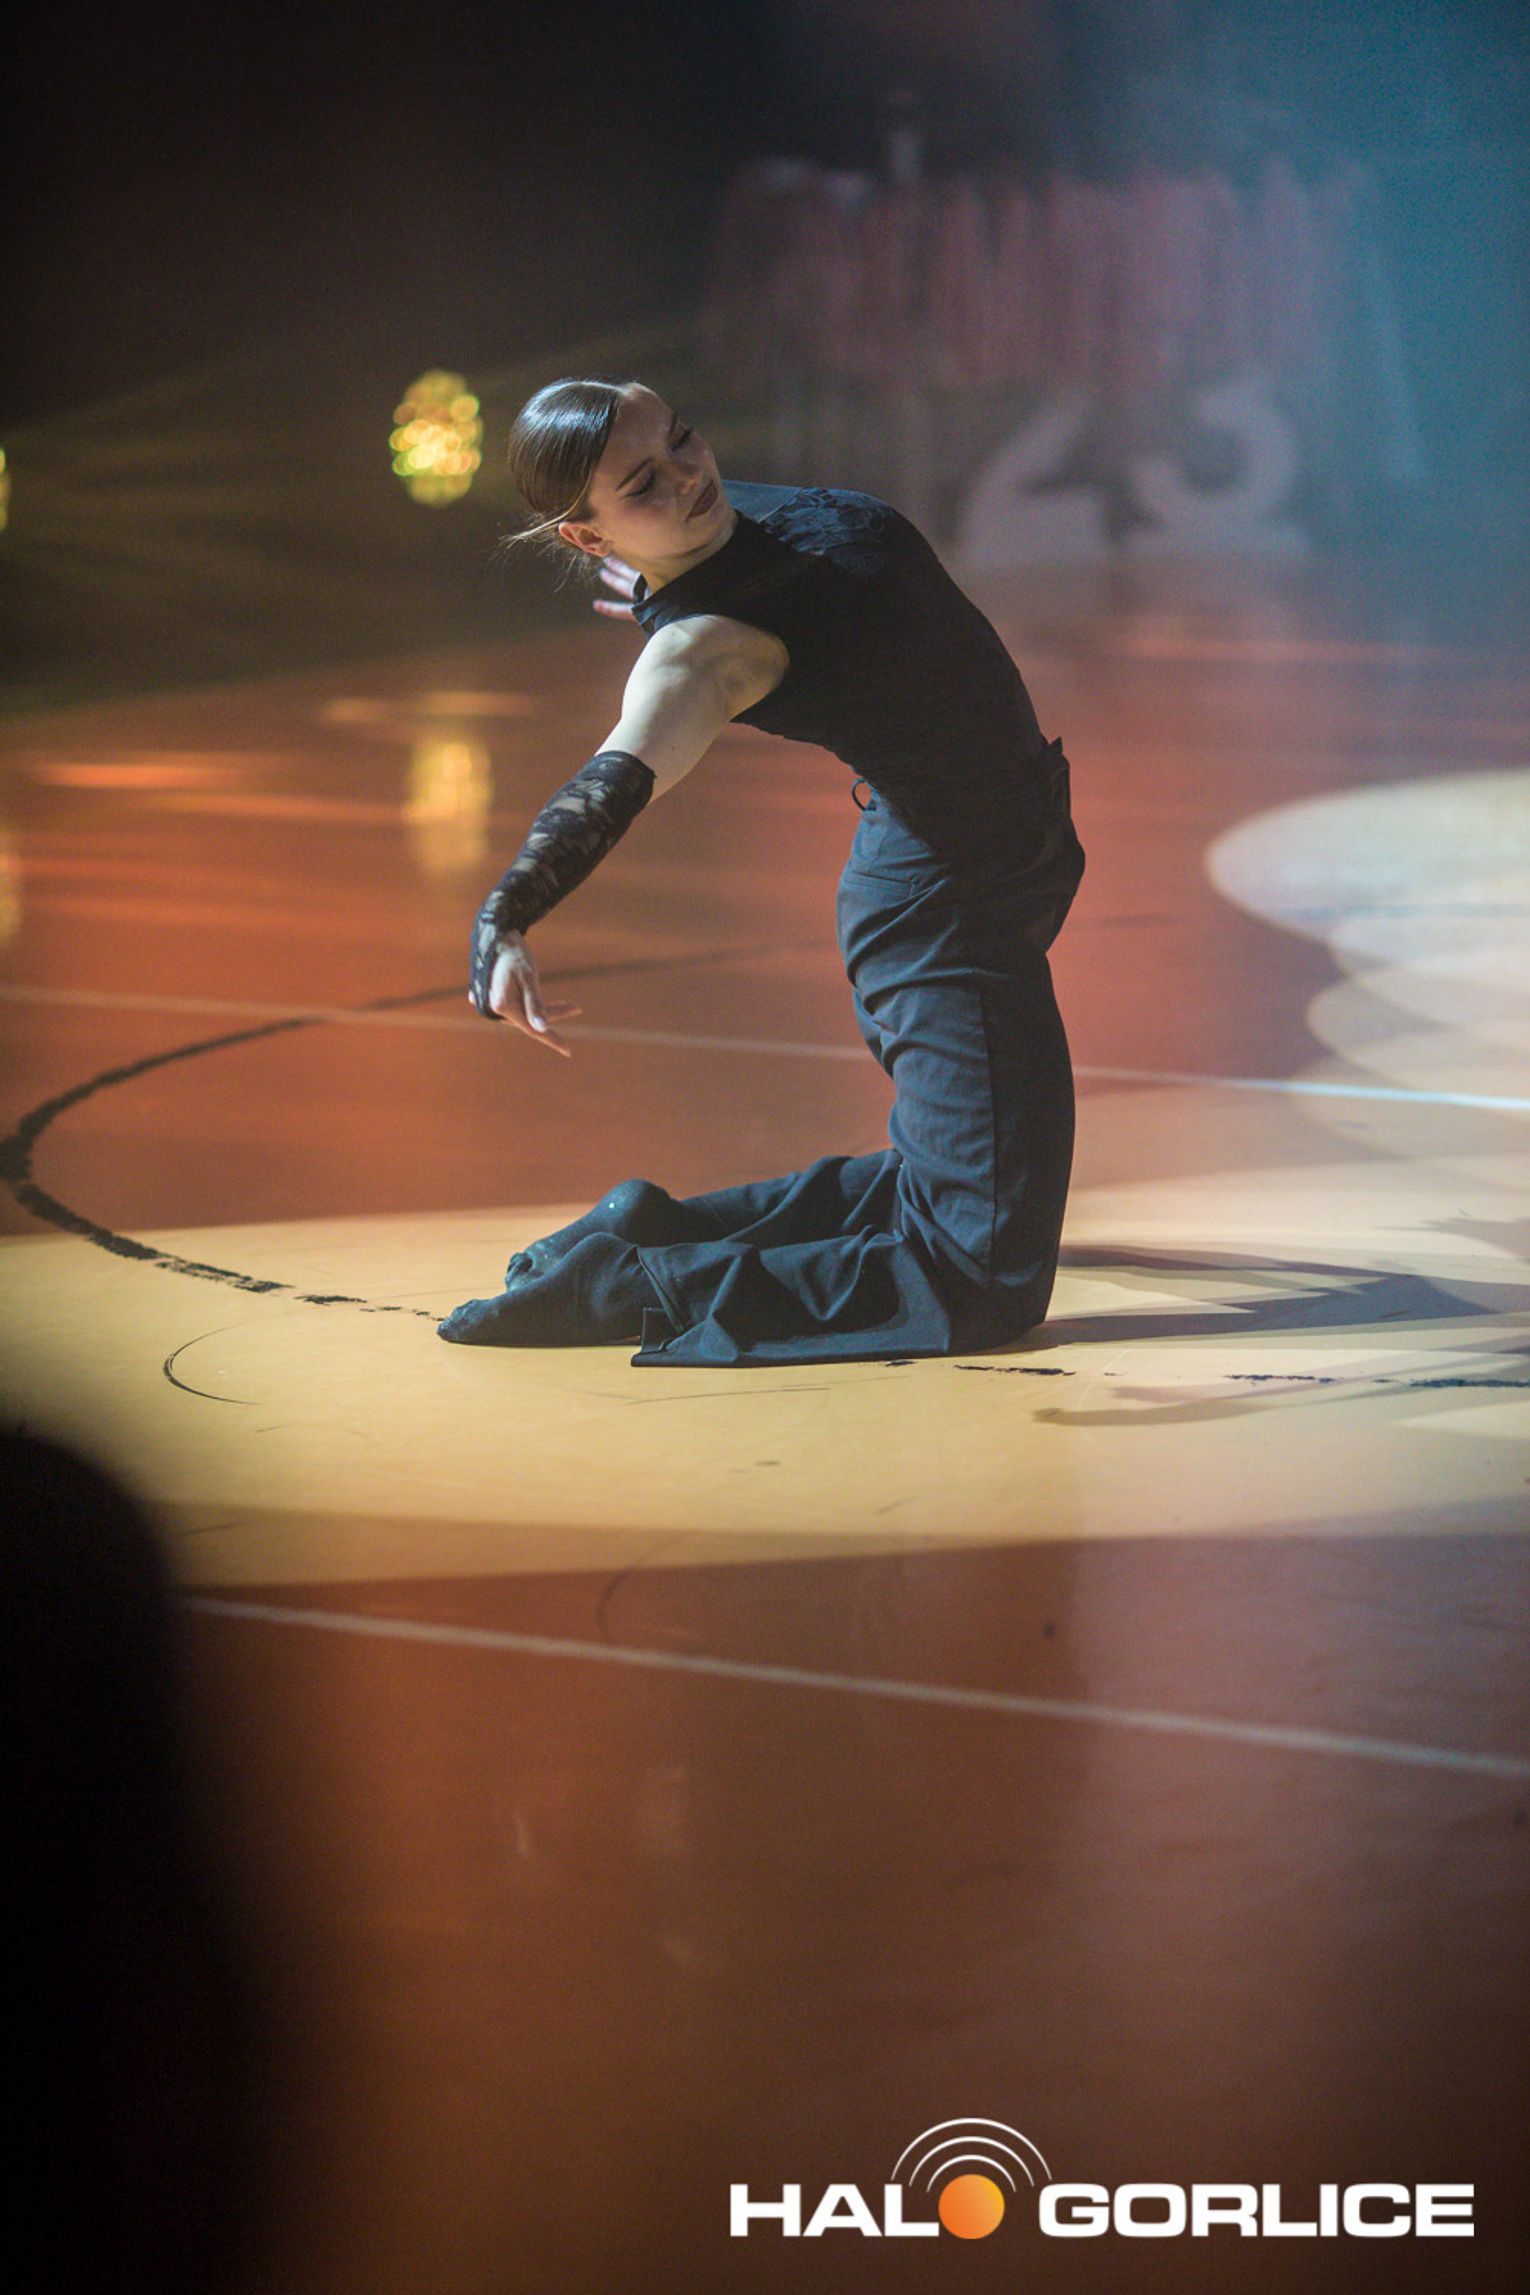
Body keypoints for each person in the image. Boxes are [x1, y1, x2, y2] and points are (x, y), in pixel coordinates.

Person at [438, 378, 1084, 1367]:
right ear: (588, 534)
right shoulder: (705, 651)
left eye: (683, 440)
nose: (688, 478)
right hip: (942, 913)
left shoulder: (724, 522)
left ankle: (647, 1228)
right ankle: (632, 1284)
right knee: (980, 1279)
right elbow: (617, 776)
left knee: (962, 1189)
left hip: (1001, 865)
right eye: (643, 486)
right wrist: (507, 911)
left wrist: (648, 561)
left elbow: (716, 535)